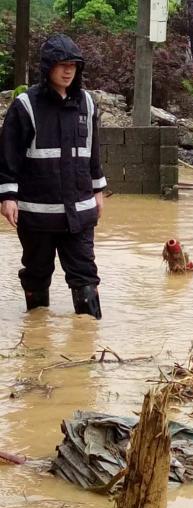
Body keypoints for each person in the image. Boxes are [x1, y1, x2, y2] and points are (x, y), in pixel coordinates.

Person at [0, 34, 106, 319]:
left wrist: (98, 190)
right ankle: (36, 337)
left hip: (80, 214)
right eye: (61, 64)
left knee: (85, 275)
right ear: (48, 67)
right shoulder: (25, 106)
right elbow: (8, 156)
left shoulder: (88, 104)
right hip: (37, 215)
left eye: (73, 64)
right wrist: (8, 196)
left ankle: (87, 344)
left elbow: (93, 153)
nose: (68, 70)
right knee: (36, 273)